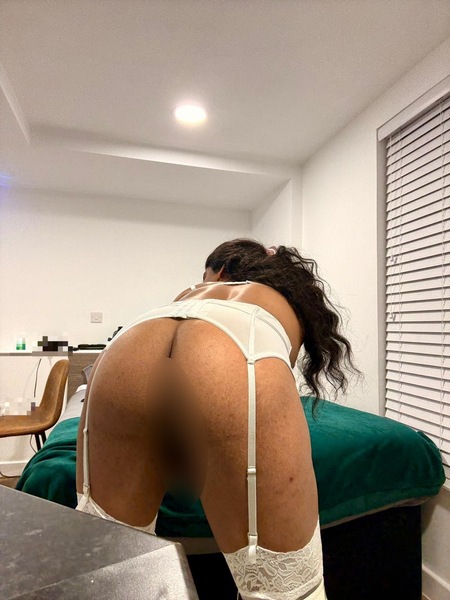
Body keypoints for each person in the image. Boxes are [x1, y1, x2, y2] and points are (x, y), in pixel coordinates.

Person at [76, 238, 357, 600]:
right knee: (285, 592)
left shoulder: (189, 294)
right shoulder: (279, 300)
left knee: (113, 576)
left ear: (220, 271)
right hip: (239, 346)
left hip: (131, 344)